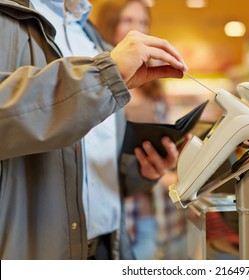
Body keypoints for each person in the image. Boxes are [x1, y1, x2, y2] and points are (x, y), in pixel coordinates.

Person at [0, 0, 188, 260]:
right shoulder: (7, 20)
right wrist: (101, 77)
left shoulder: (92, 37)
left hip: (110, 247)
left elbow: (90, 164)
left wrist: (140, 171)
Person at [93, 0, 188, 260]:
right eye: (128, 21)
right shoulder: (95, 82)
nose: (137, 30)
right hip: (124, 210)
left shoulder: (153, 84)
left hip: (162, 211)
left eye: (143, 22)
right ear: (110, 26)